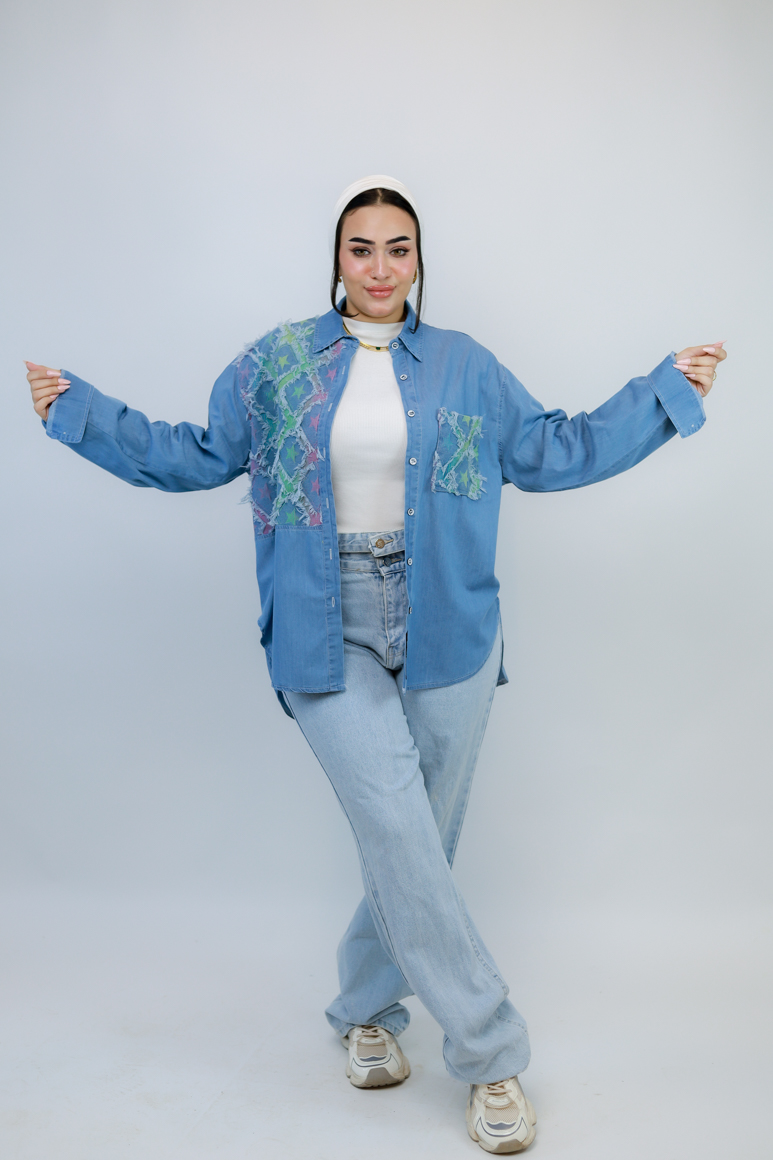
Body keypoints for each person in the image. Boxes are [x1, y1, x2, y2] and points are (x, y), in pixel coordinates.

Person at [26, 174, 726, 1154]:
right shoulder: (276, 362)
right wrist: (81, 412)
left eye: (399, 248)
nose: (381, 267)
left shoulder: (464, 365)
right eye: (362, 247)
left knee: (414, 844)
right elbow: (196, 452)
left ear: (418, 260)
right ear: (337, 259)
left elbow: (548, 449)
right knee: (398, 823)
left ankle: (364, 1008)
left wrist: (662, 396)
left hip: (449, 617)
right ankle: (490, 1051)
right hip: (323, 618)